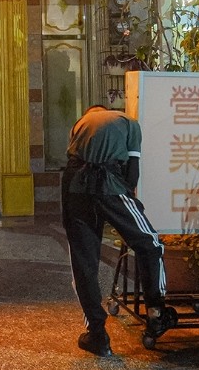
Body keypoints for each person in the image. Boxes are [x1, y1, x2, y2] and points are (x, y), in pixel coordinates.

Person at [62, 105, 176, 357]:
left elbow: (73, 160)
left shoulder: (79, 124)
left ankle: (98, 336)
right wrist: (128, 201)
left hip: (74, 187)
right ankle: (156, 313)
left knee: (84, 263)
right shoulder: (128, 122)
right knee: (150, 244)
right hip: (109, 184)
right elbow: (132, 171)